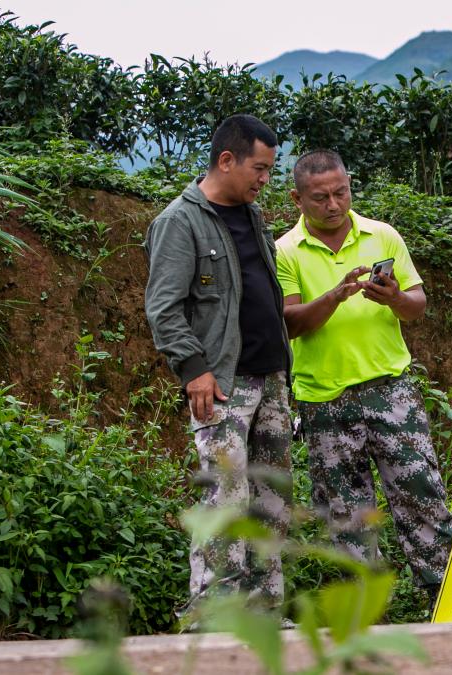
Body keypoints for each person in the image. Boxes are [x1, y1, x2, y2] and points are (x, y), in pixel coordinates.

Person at [275, 149, 452, 597]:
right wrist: (334, 297)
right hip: (324, 402)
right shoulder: (284, 251)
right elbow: (288, 323)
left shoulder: (383, 235)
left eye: (341, 193)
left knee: (423, 497)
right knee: (346, 517)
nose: (333, 205)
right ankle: (363, 615)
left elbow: (417, 306)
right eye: (320, 198)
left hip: (391, 393)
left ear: (350, 186)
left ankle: (448, 601)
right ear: (297, 199)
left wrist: (394, 298)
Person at [144, 114, 293, 619]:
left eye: (270, 170)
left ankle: (265, 612)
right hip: (223, 383)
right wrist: (194, 369)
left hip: (271, 377)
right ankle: (214, 615)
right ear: (226, 160)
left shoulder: (253, 216)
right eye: (259, 168)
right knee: (225, 498)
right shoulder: (179, 222)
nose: (265, 179)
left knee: (271, 498)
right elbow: (163, 308)